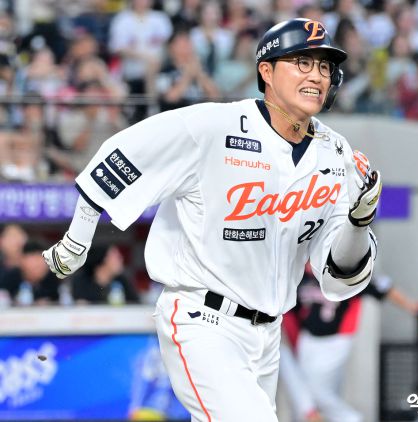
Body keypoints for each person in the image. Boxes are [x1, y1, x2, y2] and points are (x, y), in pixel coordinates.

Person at [42, 18, 382, 421]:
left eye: (324, 66)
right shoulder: (213, 126)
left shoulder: (336, 153)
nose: (316, 75)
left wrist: (359, 222)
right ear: (266, 70)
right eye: (302, 62)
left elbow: (338, 272)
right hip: (202, 321)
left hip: (268, 336)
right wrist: (76, 239)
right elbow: (122, 155)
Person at [282, 262, 418, 422]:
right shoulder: (300, 275)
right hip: (308, 340)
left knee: (315, 392)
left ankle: (350, 418)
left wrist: (413, 307)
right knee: (307, 390)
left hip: (336, 340)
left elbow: (383, 286)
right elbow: (291, 314)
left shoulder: (344, 269)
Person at [71, 244, 139, 305]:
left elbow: (136, 306)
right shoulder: (81, 282)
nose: (121, 259)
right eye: (117, 257)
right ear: (103, 260)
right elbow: (81, 308)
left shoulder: (122, 281)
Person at [1, 239, 60, 305]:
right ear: (22, 259)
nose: (40, 264)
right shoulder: (8, 280)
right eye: (35, 259)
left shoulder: (53, 280)